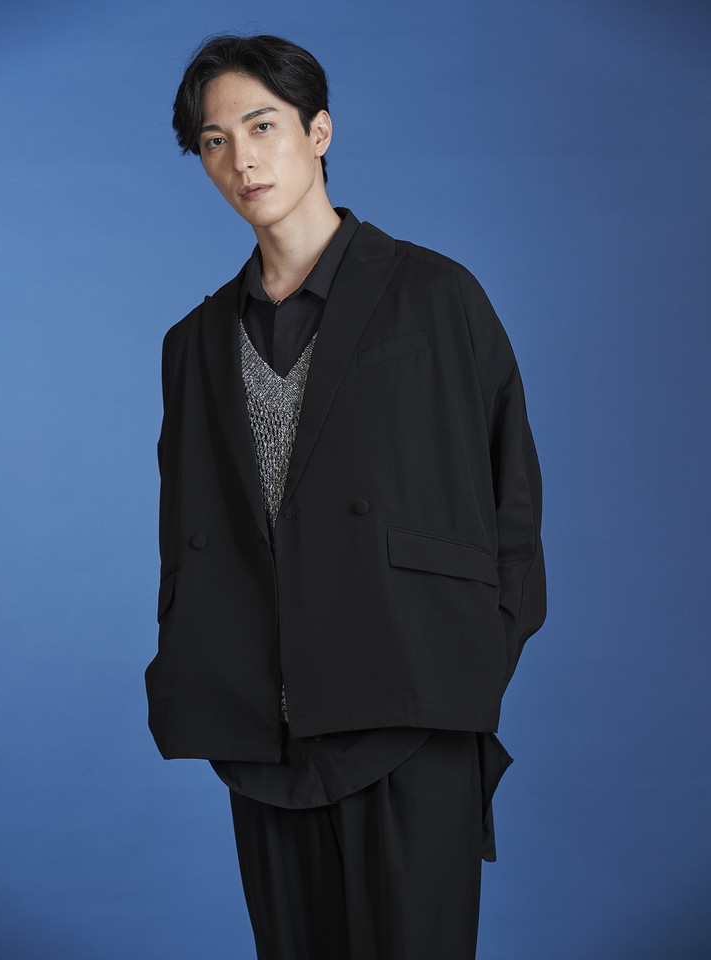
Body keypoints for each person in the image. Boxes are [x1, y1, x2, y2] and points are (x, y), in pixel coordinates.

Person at [145, 33, 547, 960]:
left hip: (414, 700)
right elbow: (187, 531)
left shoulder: (436, 295)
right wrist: (193, 658)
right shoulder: (192, 344)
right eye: (213, 141)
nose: (241, 159)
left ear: (318, 131)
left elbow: (513, 501)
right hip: (262, 728)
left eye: (262, 126)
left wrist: (469, 662)